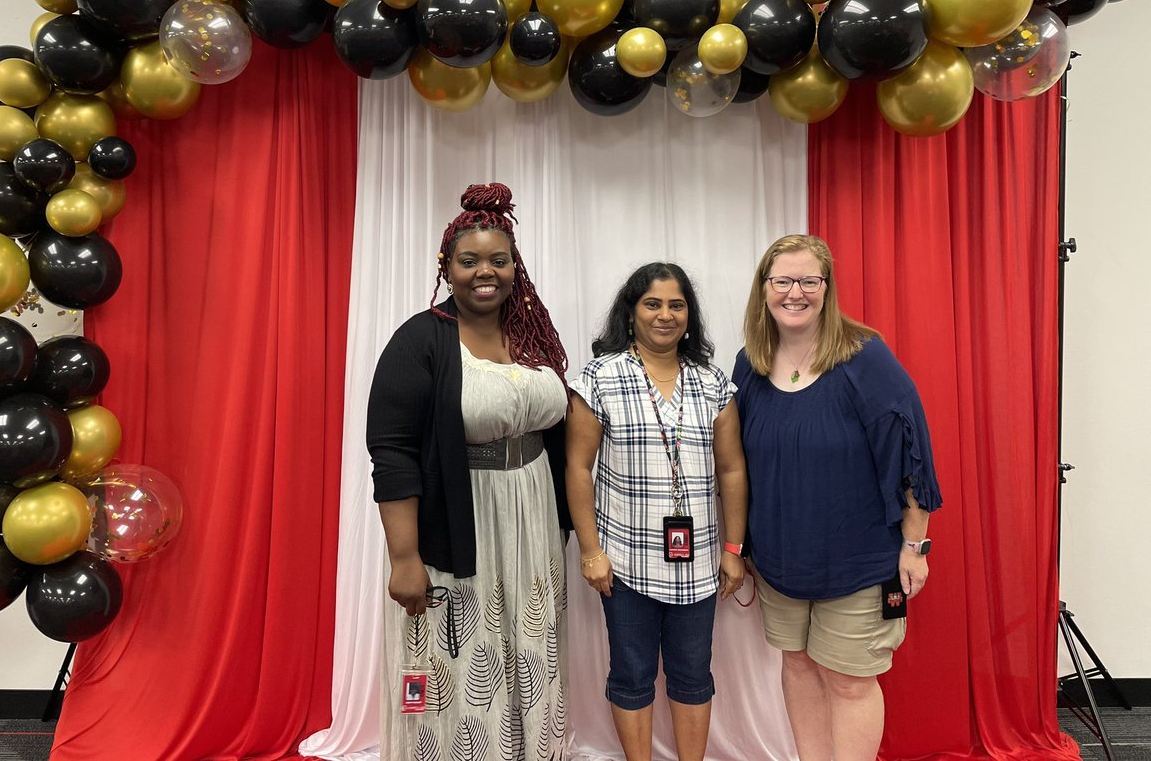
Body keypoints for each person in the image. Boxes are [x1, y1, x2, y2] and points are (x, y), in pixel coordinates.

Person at [367, 183, 572, 759]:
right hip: (460, 520)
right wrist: (405, 559)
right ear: (447, 266)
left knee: (526, 647)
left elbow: (560, 426)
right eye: (470, 260)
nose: (487, 272)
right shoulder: (419, 339)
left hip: (531, 518)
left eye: (499, 260)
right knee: (455, 657)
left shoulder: (533, 335)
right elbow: (393, 454)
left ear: (515, 266)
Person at [733, 234, 943, 761]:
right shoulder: (750, 365)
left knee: (850, 682)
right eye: (782, 281)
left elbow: (910, 451)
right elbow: (737, 465)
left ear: (827, 289)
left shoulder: (862, 357)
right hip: (781, 562)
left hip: (858, 562)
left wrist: (914, 547)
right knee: (798, 664)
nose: (795, 293)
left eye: (809, 281)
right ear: (764, 289)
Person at [566, 262, 748, 761]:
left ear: (689, 316)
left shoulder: (714, 383)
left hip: (700, 563)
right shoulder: (599, 379)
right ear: (631, 313)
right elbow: (578, 469)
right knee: (630, 673)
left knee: (693, 673)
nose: (665, 315)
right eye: (653, 304)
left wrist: (734, 549)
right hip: (623, 562)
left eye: (676, 305)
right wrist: (589, 552)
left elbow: (731, 470)